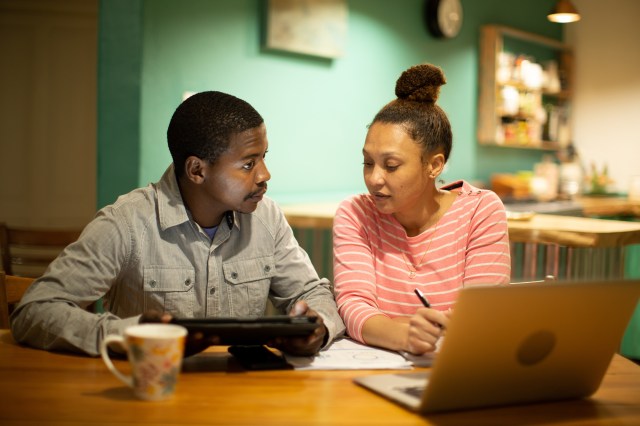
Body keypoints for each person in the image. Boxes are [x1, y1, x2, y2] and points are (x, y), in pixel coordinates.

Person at [10, 91, 345, 357]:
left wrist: (317, 326)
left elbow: (310, 291)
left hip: (244, 396)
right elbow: (35, 311)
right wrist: (131, 336)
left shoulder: (266, 217)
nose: (264, 176)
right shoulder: (126, 222)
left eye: (264, 158)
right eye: (247, 164)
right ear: (197, 170)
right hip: (150, 396)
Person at [332, 64, 511, 356]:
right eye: (367, 163)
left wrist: (388, 323)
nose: (374, 178)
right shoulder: (356, 214)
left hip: (458, 368)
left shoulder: (480, 210)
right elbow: (353, 308)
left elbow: (482, 313)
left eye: (391, 166)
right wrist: (407, 335)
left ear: (434, 165)